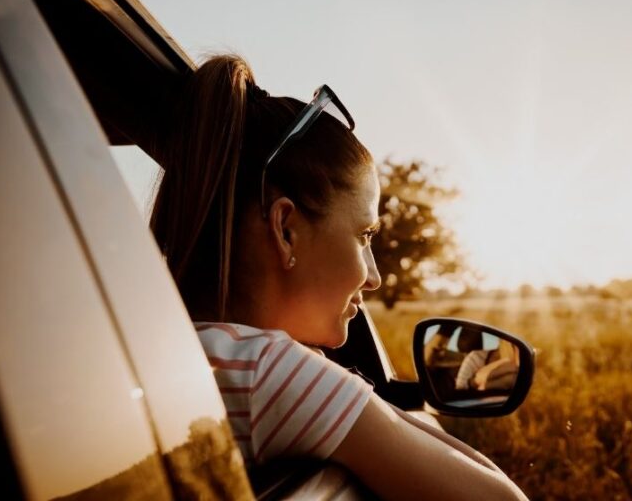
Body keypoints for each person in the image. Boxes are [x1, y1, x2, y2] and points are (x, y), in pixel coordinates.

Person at [149, 54, 526, 500]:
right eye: (364, 235)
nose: (375, 277)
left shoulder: (164, 352)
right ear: (286, 230)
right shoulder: (266, 371)